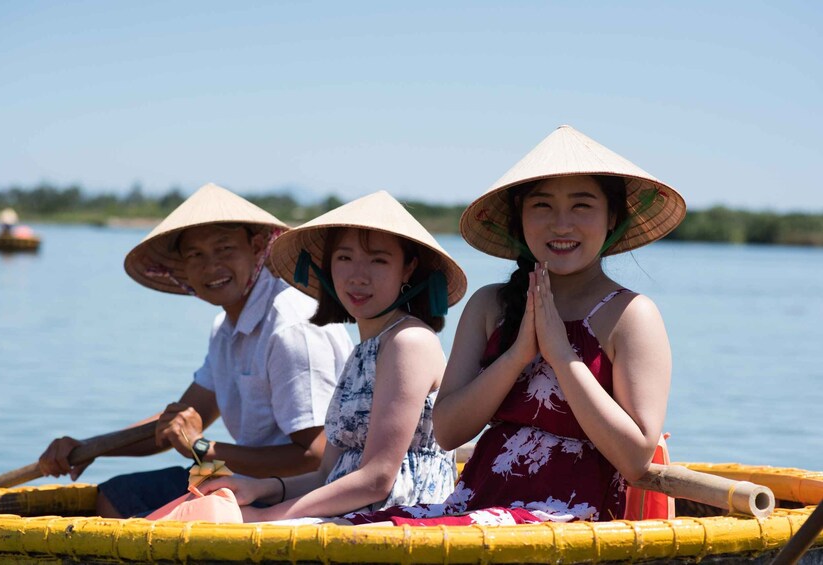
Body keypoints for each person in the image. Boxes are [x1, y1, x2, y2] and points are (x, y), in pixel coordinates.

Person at [346, 124, 686, 525]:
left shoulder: (631, 315)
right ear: (520, 218)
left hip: (571, 514)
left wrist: (562, 355)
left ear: (611, 217)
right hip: (476, 501)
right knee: (363, 529)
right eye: (541, 206)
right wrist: (517, 355)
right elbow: (448, 432)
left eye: (581, 206)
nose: (561, 224)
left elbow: (634, 458)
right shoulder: (490, 305)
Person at [37, 183, 354, 518]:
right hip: (246, 479)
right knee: (118, 496)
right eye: (195, 255)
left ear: (257, 247)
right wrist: (89, 448)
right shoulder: (226, 327)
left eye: (224, 249)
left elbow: (315, 456)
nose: (210, 267)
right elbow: (176, 423)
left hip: (298, 497)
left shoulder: (290, 327)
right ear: (183, 268)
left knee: (144, 514)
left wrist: (201, 447)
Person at [191, 190, 468, 523]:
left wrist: (264, 518)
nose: (357, 276)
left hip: (398, 519)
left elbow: (378, 479)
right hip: (352, 512)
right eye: (344, 258)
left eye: (378, 260)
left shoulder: (409, 342)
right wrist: (259, 488)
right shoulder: (363, 352)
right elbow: (327, 474)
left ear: (407, 269)